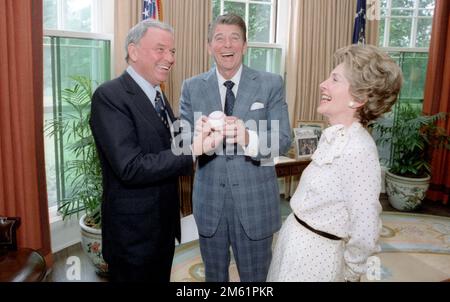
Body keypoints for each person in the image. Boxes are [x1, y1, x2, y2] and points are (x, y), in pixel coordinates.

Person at [89, 19, 221, 282]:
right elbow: (130, 167)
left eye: (172, 51)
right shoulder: (110, 96)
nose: (169, 58)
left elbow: (166, 146)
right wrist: (193, 149)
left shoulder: (157, 94)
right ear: (134, 51)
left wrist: (199, 136)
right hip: (133, 237)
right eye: (160, 49)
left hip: (162, 230)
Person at [267, 44, 403, 282]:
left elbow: (366, 228)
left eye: (335, 79)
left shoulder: (359, 150)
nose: (323, 84)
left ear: (358, 99)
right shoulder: (335, 136)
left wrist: (351, 271)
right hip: (295, 245)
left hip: (315, 259)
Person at [179, 14, 292, 282]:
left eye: (234, 38)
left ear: (244, 44)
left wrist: (247, 137)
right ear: (209, 46)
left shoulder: (270, 83)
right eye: (219, 38)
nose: (227, 45)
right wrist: (198, 141)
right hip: (210, 205)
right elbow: (179, 144)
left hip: (255, 204)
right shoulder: (192, 87)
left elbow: (283, 139)